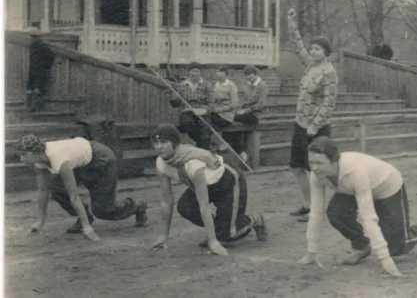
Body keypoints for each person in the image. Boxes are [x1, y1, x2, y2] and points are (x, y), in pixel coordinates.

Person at [298, 137, 417, 277]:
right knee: (336, 213)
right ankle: (361, 246)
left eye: (319, 163)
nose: (314, 168)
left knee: (396, 248)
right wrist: (311, 252)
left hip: (386, 187)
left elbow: (368, 217)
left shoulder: (355, 172)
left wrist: (385, 260)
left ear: (334, 161)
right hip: (350, 189)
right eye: (311, 162)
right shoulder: (317, 174)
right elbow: (315, 212)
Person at [149, 124, 266, 256]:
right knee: (185, 207)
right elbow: (166, 201)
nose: (159, 147)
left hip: (228, 182)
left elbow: (203, 205)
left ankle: (255, 219)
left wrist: (213, 241)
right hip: (207, 185)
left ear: (175, 143)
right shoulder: (161, 163)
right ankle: (219, 230)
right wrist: (163, 236)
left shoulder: (192, 164)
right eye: (156, 143)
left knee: (227, 237)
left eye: (164, 142)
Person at [17, 134, 147, 241]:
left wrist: (87, 228)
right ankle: (86, 217)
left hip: (101, 159)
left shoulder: (59, 160)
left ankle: (137, 206)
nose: (21, 159)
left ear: (35, 152)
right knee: (56, 188)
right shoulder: (39, 161)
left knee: (103, 211)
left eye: (24, 154)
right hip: (80, 162)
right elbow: (43, 190)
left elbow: (74, 196)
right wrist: (40, 221)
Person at [287, 8, 338, 222]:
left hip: (316, 128)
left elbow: (329, 102)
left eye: (318, 49)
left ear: (326, 52)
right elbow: (298, 46)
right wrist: (291, 23)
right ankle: (307, 205)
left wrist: (315, 126)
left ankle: (326, 208)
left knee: (319, 170)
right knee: (297, 167)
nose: (313, 51)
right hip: (301, 123)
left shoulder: (329, 72)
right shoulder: (310, 65)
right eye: (312, 48)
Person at [170, 63, 213, 150]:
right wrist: (175, 98)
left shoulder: (207, 85)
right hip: (187, 111)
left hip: (202, 111)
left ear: (200, 73)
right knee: (187, 124)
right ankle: (202, 145)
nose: (195, 74)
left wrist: (206, 110)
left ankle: (203, 151)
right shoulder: (182, 85)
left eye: (197, 71)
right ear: (189, 73)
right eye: (193, 71)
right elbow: (174, 104)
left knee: (206, 129)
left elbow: (212, 102)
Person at [26, 34, 55, 112]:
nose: (31, 39)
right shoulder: (35, 46)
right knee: (33, 89)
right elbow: (51, 56)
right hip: (34, 70)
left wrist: (46, 66)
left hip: (37, 70)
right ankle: (32, 107)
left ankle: (34, 107)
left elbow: (51, 56)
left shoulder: (42, 47)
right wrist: (47, 66)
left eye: (32, 38)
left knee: (36, 89)